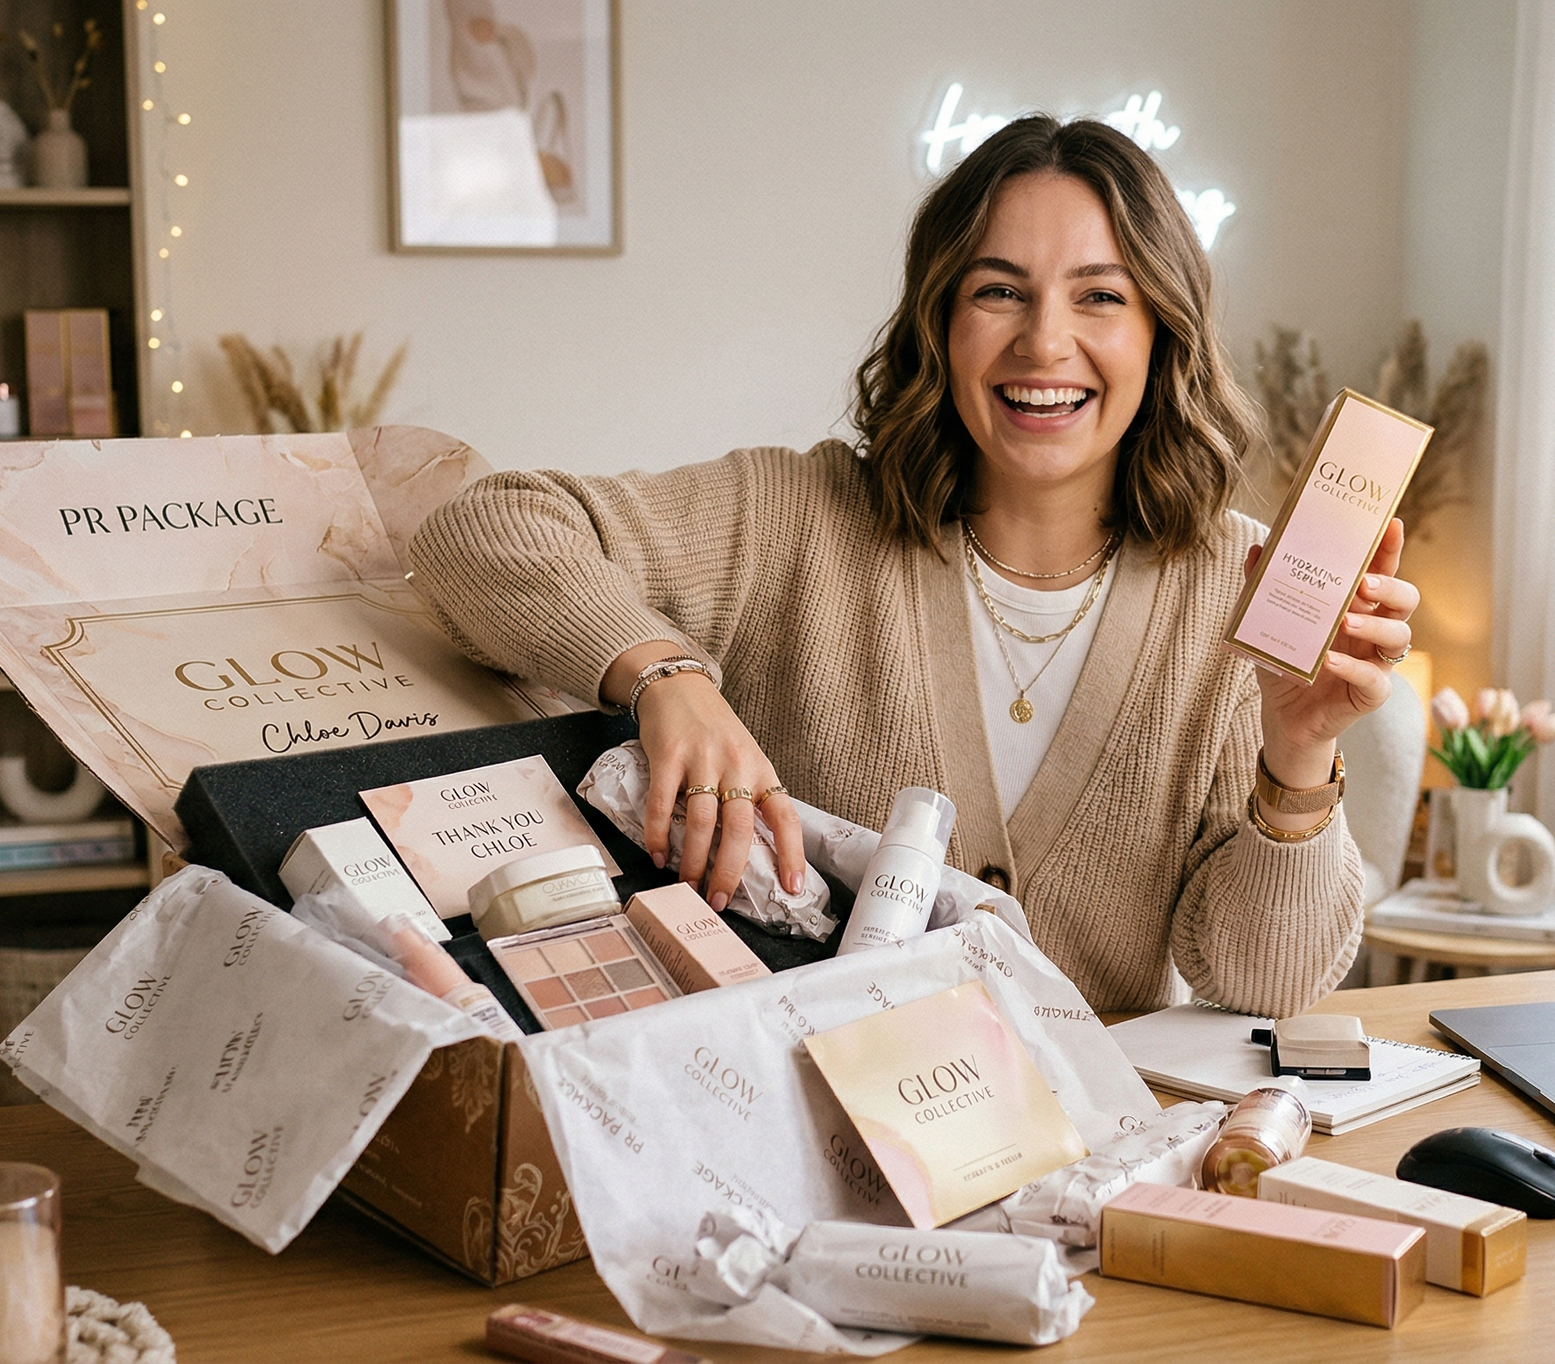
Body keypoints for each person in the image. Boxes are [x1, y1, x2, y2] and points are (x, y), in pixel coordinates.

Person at [408, 117, 1420, 1017]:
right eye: (998, 291)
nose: (1044, 341)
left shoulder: (1239, 586)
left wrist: (1293, 748)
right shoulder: (792, 515)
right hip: (800, 1151)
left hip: (1095, 1163)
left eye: (1099, 296)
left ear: (1162, 334)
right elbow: (483, 530)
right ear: (939, 321)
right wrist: (664, 672)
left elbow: (1262, 982)